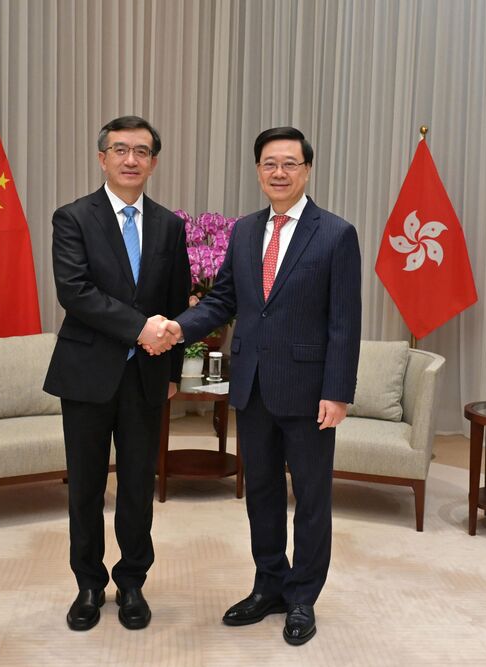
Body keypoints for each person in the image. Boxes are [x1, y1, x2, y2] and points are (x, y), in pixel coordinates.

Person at [156, 127, 361, 646]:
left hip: (310, 390)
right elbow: (223, 300)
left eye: (290, 163)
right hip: (252, 387)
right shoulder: (245, 231)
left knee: (311, 499)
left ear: (307, 170)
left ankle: (302, 598)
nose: (279, 172)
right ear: (257, 171)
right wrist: (180, 328)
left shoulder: (336, 234)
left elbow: (344, 323)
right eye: (270, 163)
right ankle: (268, 584)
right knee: (261, 495)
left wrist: (337, 392)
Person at [44, 116, 190, 631]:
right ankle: (88, 583)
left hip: (147, 376)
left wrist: (170, 363)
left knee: (136, 486)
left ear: (153, 161)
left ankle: (131, 582)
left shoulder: (171, 225)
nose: (131, 159)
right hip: (86, 374)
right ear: (102, 157)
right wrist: (139, 329)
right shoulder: (73, 218)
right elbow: (75, 292)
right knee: (84, 485)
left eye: (142, 151)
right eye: (120, 149)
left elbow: (175, 300)